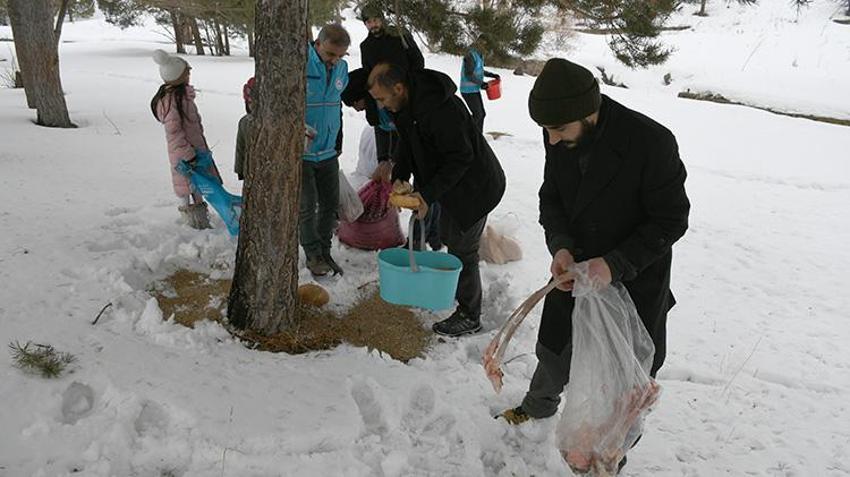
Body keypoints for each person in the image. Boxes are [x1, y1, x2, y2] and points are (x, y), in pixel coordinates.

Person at [499, 58, 690, 470]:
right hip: (576, 271)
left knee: (623, 377)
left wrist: (614, 264)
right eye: (546, 131)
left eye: (558, 130)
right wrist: (561, 247)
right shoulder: (559, 133)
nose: (551, 140)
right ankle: (538, 404)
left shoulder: (651, 142)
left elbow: (672, 219)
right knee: (554, 350)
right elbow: (552, 199)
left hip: (633, 280)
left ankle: (609, 455)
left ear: (589, 113)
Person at [367, 63, 506, 337]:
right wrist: (401, 176)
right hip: (448, 184)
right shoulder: (404, 106)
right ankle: (453, 289)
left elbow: (461, 158)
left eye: (382, 99)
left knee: (462, 248)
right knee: (448, 235)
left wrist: (427, 195)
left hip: (475, 186)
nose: (381, 106)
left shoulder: (442, 109)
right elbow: (406, 143)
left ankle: (470, 315)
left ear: (399, 88)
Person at [151, 49, 222, 230]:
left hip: (195, 152)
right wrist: (188, 154)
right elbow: (174, 133)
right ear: (177, 76)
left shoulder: (182, 97)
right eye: (186, 73)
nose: (189, 75)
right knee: (187, 188)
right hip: (185, 156)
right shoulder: (172, 102)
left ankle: (200, 220)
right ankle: (192, 223)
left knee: (198, 186)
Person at [301, 23, 350, 277]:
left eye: (340, 55)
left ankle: (325, 250)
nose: (335, 60)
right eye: (330, 54)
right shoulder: (301, 63)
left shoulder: (342, 67)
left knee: (330, 204)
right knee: (307, 206)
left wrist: (338, 138)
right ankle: (312, 254)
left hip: (329, 151)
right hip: (304, 153)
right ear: (317, 44)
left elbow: (336, 104)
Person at [460, 35, 500, 133]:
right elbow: (469, 74)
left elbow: (479, 70)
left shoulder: (479, 54)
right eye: (486, 46)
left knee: (481, 114)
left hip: (474, 89)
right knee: (478, 115)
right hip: (467, 91)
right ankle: (467, 134)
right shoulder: (470, 55)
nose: (487, 49)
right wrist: (482, 83)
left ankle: (478, 136)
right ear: (480, 43)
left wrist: (491, 75)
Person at [234, 76, 255, 182]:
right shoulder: (244, 122)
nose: (252, 106)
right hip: (250, 170)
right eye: (249, 103)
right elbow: (240, 147)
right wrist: (240, 169)